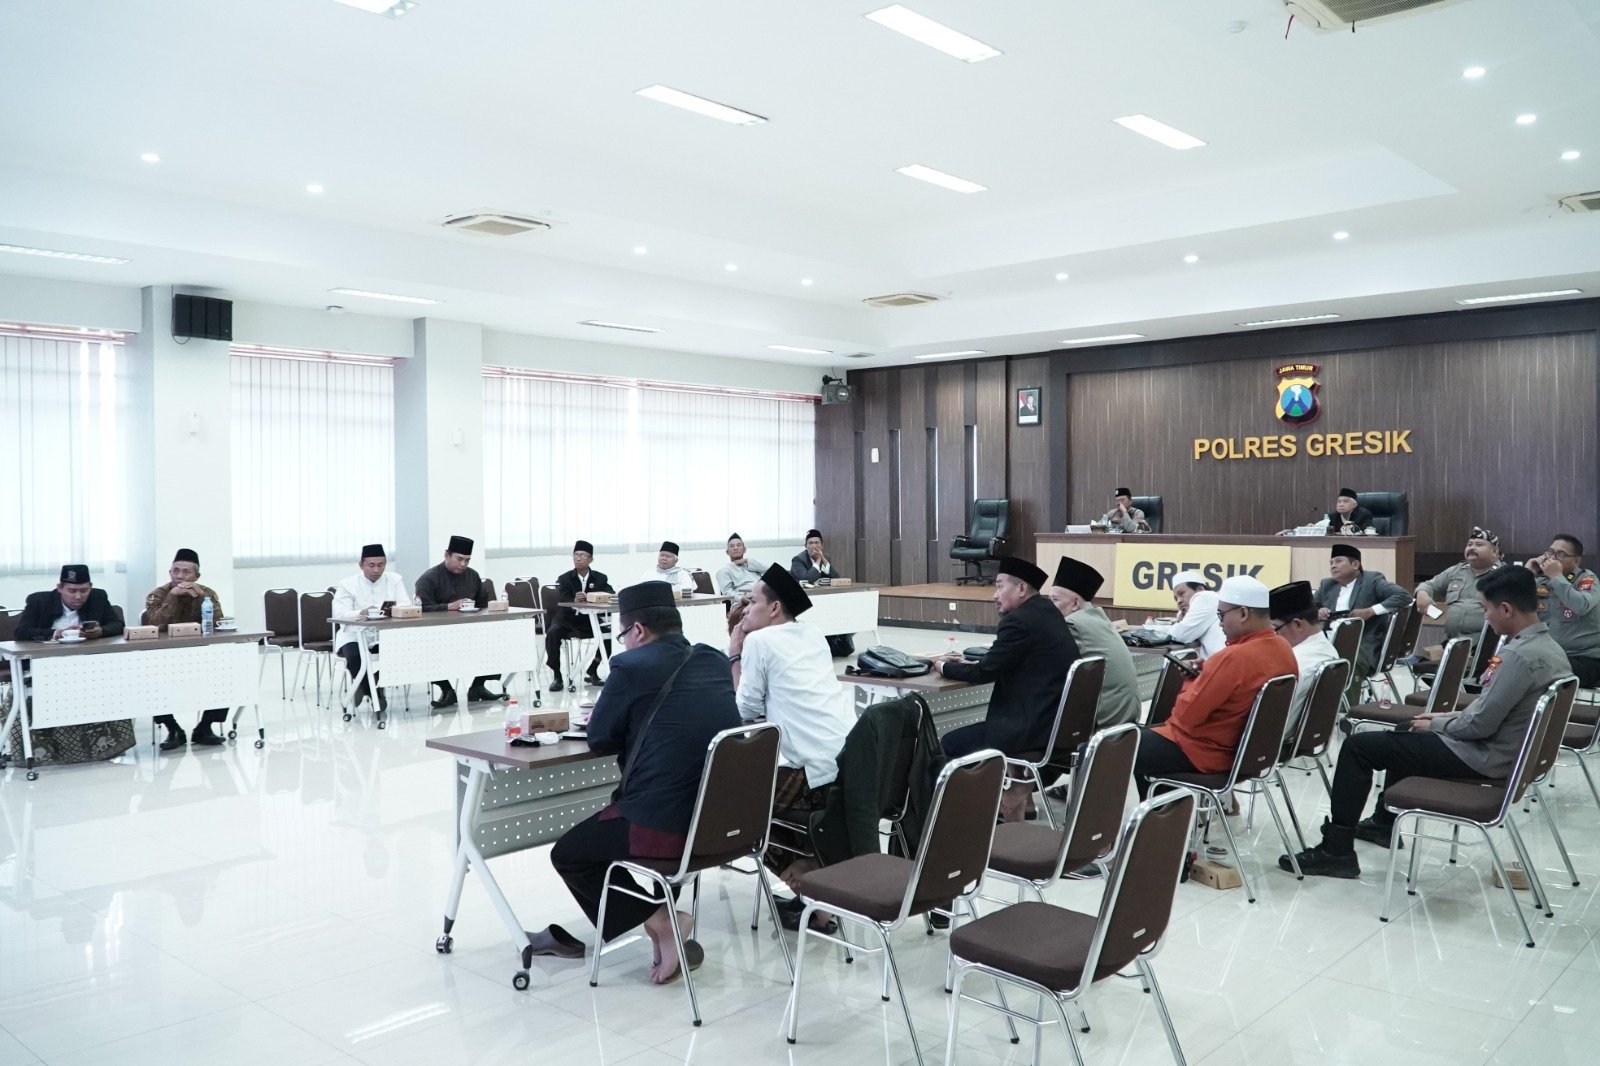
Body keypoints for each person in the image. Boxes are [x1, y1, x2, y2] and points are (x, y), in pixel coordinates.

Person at [1286, 566, 1570, 878]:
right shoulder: (1548, 647)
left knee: (1357, 747)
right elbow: (1497, 710)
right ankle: (1384, 822)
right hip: (1504, 749)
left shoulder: (1518, 655)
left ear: (1506, 609)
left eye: (1486, 609)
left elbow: (1479, 726)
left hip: (1486, 756)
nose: (1486, 617)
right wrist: (1445, 716)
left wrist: (1435, 726)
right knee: (1406, 729)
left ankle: (1337, 850)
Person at [546, 582, 740, 983]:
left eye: (623, 635)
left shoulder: (630, 666)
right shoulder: (712, 659)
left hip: (664, 825)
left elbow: (600, 738)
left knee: (570, 854)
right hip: (719, 824)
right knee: (606, 835)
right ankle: (661, 915)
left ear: (637, 630)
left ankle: (662, 919)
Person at [729, 563, 855, 927]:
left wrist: (734, 651)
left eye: (751, 602)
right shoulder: (812, 633)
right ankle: (814, 877)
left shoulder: (759, 642)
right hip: (846, 764)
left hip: (807, 774)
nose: (744, 610)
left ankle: (808, 884)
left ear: (774, 608)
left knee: (734, 812)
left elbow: (745, 710)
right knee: (766, 806)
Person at [935, 557, 1079, 821]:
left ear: (1021, 588)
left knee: (950, 744)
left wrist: (943, 666)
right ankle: (1012, 817)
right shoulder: (1048, 612)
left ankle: (960, 820)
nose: (995, 595)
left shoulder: (1019, 621)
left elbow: (984, 672)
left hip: (1029, 729)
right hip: (1055, 725)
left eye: (1000, 586)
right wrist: (980, 663)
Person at [1132, 576, 1297, 798]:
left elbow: (1185, 717)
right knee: (1142, 742)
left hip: (1205, 750)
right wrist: (1208, 672)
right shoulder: (1283, 647)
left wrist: (1192, 680)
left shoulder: (1234, 657)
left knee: (1107, 748)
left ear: (1243, 613)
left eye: (1221, 615)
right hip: (1245, 752)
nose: (1219, 624)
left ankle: (1152, 817)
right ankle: (1164, 816)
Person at [11, 564, 134, 764]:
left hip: (86, 666)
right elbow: (21, 632)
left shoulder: (98, 597)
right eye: (72, 591)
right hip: (45, 667)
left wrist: (100, 631)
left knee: (110, 685)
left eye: (84, 590)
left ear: (91, 587)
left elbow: (118, 625)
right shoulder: (38, 601)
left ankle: (102, 749)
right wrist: (55, 633)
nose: (78, 596)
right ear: (60, 588)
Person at [144, 548, 231, 751]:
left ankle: (205, 727)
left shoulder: (207, 593)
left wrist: (202, 598)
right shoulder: (157, 595)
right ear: (170, 572)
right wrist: (172, 597)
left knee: (224, 673)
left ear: (197, 576)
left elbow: (218, 623)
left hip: (201, 653)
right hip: (165, 655)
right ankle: (173, 729)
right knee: (152, 681)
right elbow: (155, 624)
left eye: (186, 572)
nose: (180, 576)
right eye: (176, 571)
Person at [1047, 556, 1140, 728]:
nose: (1049, 607)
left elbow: (1046, 665)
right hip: (1125, 715)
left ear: (1075, 603)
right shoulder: (1097, 618)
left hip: (1105, 720)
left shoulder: (1073, 623)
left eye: (1054, 600)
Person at [1314, 543, 1409, 703]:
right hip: (1327, 641)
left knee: (1346, 661)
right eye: (1331, 563)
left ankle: (1346, 710)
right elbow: (1309, 607)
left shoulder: (1372, 580)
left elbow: (1403, 596)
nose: (1333, 566)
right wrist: (1318, 611)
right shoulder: (1327, 584)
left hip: (1361, 645)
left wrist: (1371, 611)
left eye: (1338, 561)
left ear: (1355, 564)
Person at [414, 535, 502, 708]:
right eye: (459, 559)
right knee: (428, 648)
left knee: (496, 640)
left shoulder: (473, 575)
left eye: (467, 560)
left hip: (470, 630)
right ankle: (447, 690)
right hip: (437, 632)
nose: (463, 564)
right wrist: (449, 606)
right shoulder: (429, 578)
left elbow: (483, 603)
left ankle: (478, 686)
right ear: (447, 555)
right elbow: (421, 608)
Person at [331, 543, 408, 713]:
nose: (376, 570)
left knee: (403, 652)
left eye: (381, 565)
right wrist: (361, 612)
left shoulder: (395, 580)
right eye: (371, 565)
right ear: (361, 565)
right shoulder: (347, 584)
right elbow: (339, 614)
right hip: (353, 636)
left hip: (384, 635)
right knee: (354, 656)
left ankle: (367, 682)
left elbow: (405, 605)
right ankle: (374, 694)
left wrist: (393, 610)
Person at [1268, 581, 1340, 743]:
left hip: (1270, 743)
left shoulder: (1295, 666)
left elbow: (1267, 718)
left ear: (1298, 625)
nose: (1274, 635)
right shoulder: (1326, 650)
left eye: (1276, 628)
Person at [1526, 534, 1600, 686]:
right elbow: (1513, 605)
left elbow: (1581, 606)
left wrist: (1557, 577)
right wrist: (1527, 574)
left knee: (1539, 674)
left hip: (1584, 658)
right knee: (1513, 665)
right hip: (1549, 655)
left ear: (1576, 561)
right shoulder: (1542, 581)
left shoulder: (1586, 580)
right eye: (1550, 552)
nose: (1552, 558)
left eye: (1561, 554)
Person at [1414, 526, 1503, 640]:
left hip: (1487, 642)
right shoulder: (1456, 571)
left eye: (1479, 545)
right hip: (1453, 640)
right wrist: (1422, 593)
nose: (1472, 548)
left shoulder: (1504, 575)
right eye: (1469, 544)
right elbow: (1428, 585)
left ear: (1494, 551)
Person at [547, 540, 614, 691]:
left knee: (608, 635)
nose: (578, 558)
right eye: (575, 555)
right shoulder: (565, 578)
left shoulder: (600, 578)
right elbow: (563, 598)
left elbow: (610, 593)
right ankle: (557, 676)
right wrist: (574, 600)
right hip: (567, 620)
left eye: (582, 555)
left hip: (589, 621)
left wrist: (592, 596)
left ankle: (593, 669)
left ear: (591, 559)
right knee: (552, 634)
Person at [1168, 570, 1226, 659]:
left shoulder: (1204, 597)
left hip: (1227, 662)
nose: (1179, 601)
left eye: (1182, 593)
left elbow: (1181, 635)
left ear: (1200, 589)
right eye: (1176, 598)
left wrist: (1178, 622)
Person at [716, 533, 766, 599]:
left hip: (765, 596)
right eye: (732, 546)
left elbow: (772, 572)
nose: (735, 548)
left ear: (744, 550)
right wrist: (741, 599)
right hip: (745, 600)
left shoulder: (753, 565)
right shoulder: (724, 571)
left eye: (738, 545)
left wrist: (746, 560)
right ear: (727, 552)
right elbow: (727, 592)